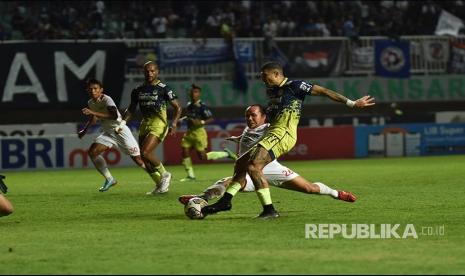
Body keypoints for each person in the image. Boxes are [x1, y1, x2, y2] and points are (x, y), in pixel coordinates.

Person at [202, 61, 375, 219]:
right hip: (272, 132)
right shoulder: (272, 91)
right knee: (241, 163)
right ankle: (225, 201)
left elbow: (324, 91)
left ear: (276, 74)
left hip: (284, 133)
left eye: (265, 76)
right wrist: (246, 135)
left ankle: (269, 210)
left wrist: (351, 103)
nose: (263, 80)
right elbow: (269, 117)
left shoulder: (296, 86)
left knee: (254, 166)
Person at [179, 104, 356, 204]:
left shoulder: (271, 128)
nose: (250, 119)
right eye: (247, 116)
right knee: (226, 182)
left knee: (310, 188)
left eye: (254, 115)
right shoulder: (248, 129)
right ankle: (200, 199)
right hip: (251, 170)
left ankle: (335, 193)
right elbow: (248, 136)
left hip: (271, 167)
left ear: (264, 117)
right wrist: (239, 138)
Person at [117, 61, 182, 195]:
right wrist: (122, 123)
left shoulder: (164, 88)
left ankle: (165, 174)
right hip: (145, 124)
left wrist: (174, 123)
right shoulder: (137, 90)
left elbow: (178, 107)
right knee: (144, 157)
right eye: (147, 71)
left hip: (159, 124)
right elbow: (131, 109)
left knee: (146, 152)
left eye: (152, 71)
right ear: (143, 72)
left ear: (157, 72)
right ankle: (159, 185)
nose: (149, 73)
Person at [78, 79, 153, 192]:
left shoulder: (107, 99)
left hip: (120, 131)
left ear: (101, 90)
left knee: (138, 159)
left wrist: (93, 112)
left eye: (95, 88)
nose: (93, 91)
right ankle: (110, 179)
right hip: (108, 133)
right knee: (92, 152)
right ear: (87, 90)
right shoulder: (91, 103)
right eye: (90, 89)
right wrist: (85, 130)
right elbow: (93, 118)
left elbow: (113, 116)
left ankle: (159, 176)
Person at [180, 84, 237, 182]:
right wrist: (183, 119)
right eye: (192, 92)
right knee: (184, 151)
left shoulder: (202, 106)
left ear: (199, 94)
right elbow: (189, 116)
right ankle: (191, 175)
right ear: (189, 93)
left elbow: (210, 118)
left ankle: (226, 154)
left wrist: (201, 122)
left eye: (196, 92)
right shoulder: (189, 105)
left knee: (203, 157)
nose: (194, 94)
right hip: (189, 132)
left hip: (199, 133)